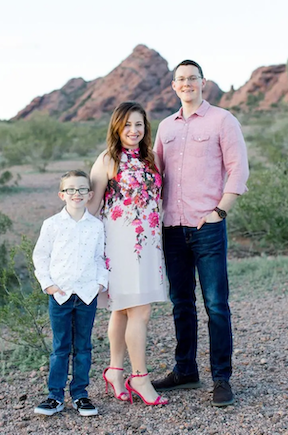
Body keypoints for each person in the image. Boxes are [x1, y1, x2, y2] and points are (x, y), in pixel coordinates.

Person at [152, 60, 249, 407]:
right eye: (181, 79)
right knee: (181, 304)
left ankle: (221, 378)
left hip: (206, 227)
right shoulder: (165, 128)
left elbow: (238, 169)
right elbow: (154, 172)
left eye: (192, 78)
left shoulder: (223, 120)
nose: (187, 83)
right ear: (174, 86)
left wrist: (219, 212)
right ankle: (185, 371)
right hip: (173, 228)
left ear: (202, 82)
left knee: (216, 305)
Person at [89, 101, 168, 406]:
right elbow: (93, 208)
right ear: (117, 128)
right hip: (120, 245)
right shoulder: (109, 159)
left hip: (149, 244)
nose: (134, 131)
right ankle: (141, 377)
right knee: (140, 311)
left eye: (139, 125)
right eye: (128, 125)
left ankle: (115, 371)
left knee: (123, 309)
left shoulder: (153, 159)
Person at [33, 170, 108, 417]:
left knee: (84, 346)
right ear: (62, 194)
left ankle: (81, 395)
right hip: (60, 295)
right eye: (71, 189)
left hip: (87, 295)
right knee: (60, 347)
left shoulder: (96, 226)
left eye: (82, 189)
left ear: (90, 194)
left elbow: (100, 257)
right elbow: (41, 256)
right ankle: (55, 397)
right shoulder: (52, 224)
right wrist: (49, 285)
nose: (77, 193)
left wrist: (100, 284)